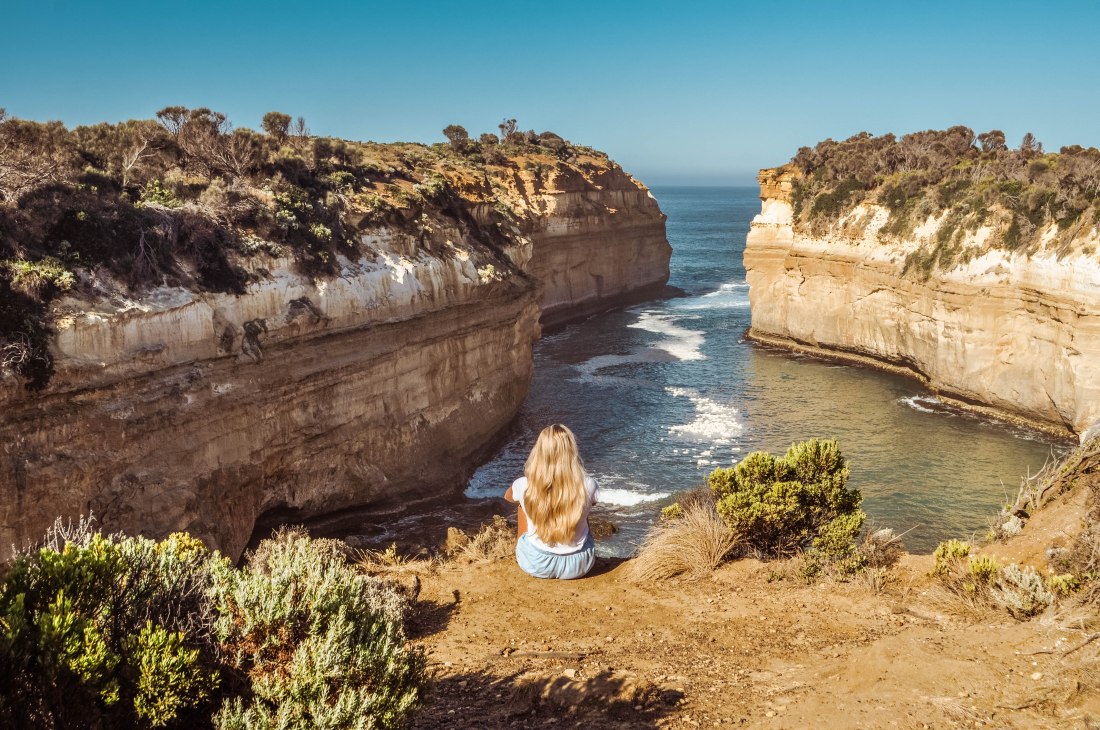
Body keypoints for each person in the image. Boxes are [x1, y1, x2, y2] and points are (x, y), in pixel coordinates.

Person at [504, 424, 599, 580]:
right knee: (579, 504)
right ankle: (572, 544)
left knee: (523, 504)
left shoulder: (525, 484)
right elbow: (593, 503)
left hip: (536, 563)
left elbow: (508, 496)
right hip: (579, 565)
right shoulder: (588, 484)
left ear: (539, 451)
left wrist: (541, 498)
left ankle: (525, 547)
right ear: (571, 451)